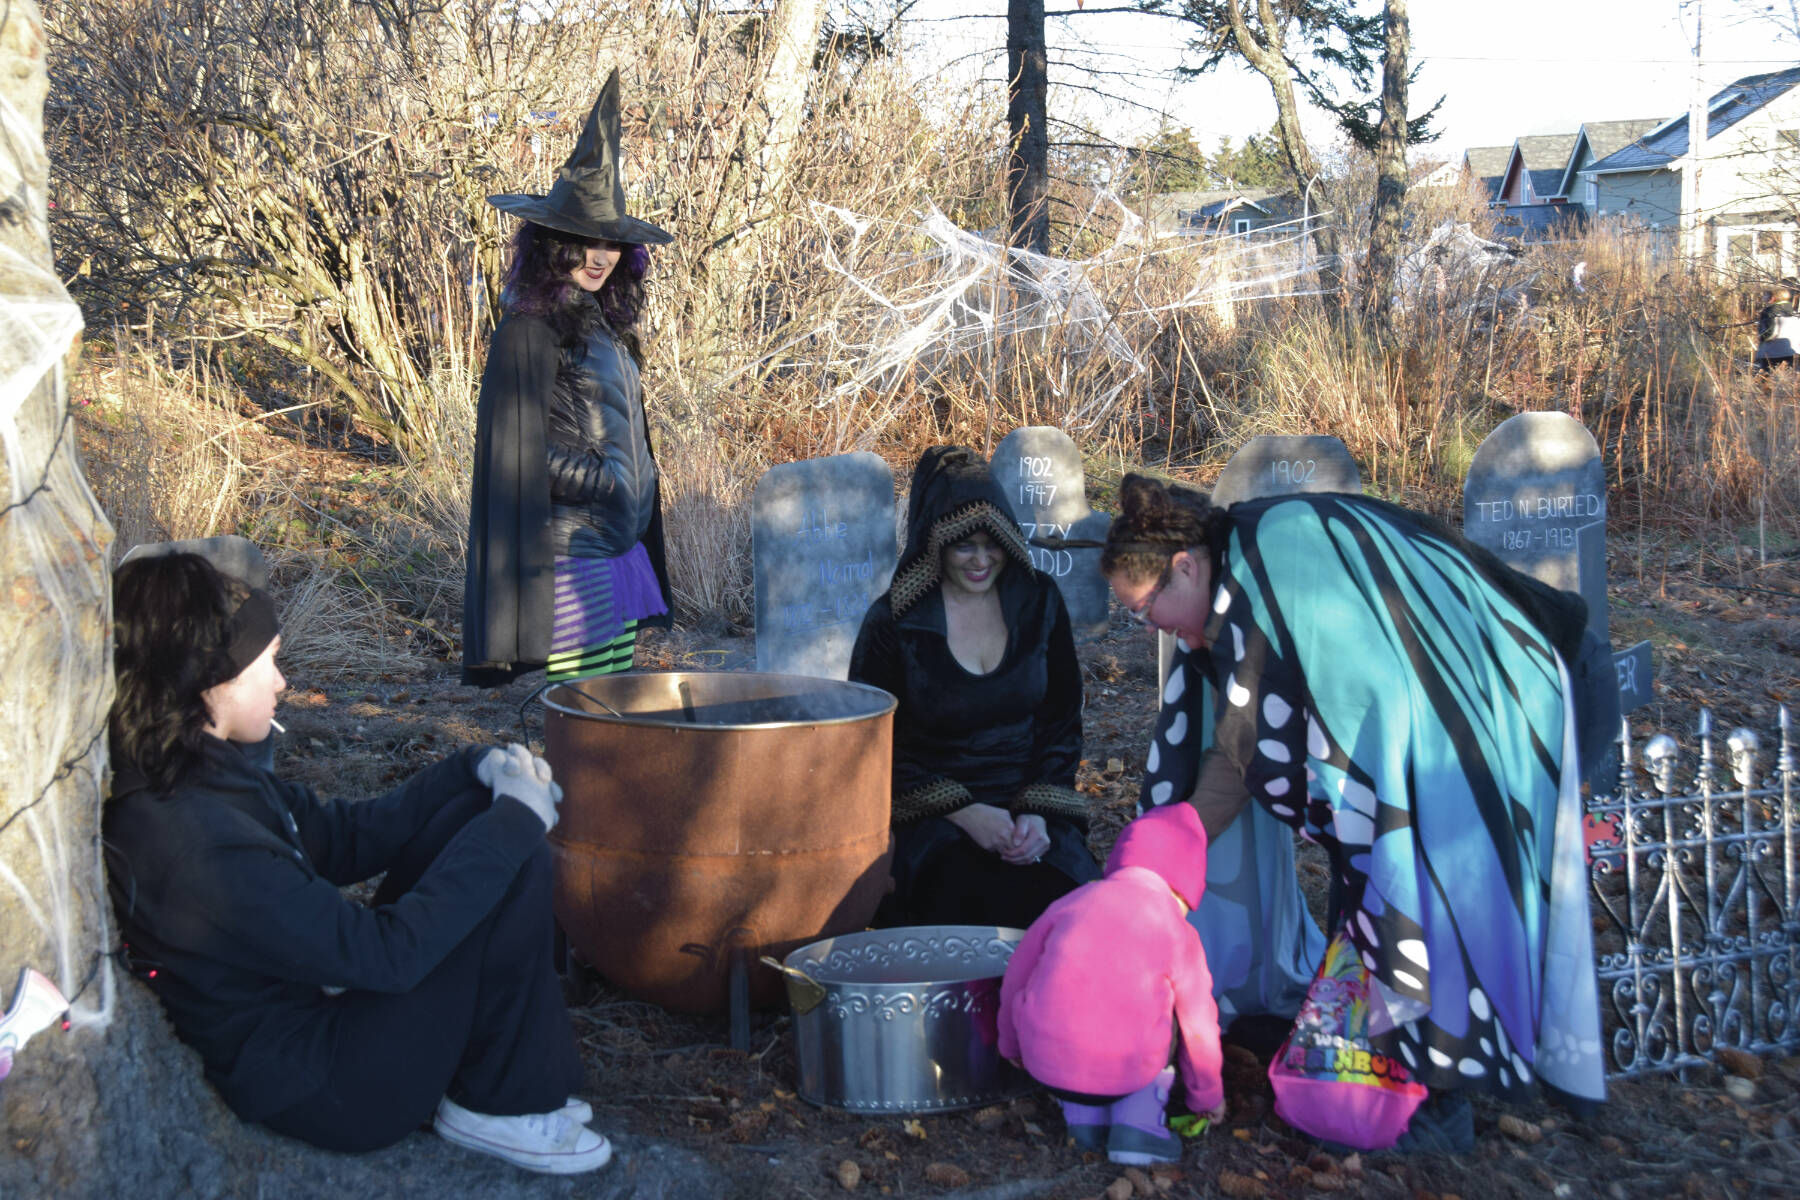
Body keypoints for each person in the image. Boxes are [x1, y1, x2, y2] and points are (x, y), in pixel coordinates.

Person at [1101, 475, 1606, 1149]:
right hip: (1456, 725)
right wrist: (1167, 854)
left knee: (1432, 889)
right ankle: (1379, 1065)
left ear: (1184, 567)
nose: (1150, 626)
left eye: (1143, 609)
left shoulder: (1281, 569)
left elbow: (1375, 771)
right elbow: (1241, 746)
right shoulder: (1241, 590)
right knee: (1371, 882)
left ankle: (1436, 1099)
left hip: (1532, 688)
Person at [104, 553, 612, 1174]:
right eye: (269, 663)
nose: (282, 682)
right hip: (332, 1087)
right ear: (211, 681)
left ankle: (497, 1089)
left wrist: (470, 772)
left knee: (474, 816)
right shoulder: (192, 841)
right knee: (509, 852)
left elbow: (342, 837)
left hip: (322, 1026)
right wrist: (514, 822)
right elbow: (385, 956)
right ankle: (498, 1106)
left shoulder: (200, 774)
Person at [463, 68, 672, 687]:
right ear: (553, 243)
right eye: (584, 241)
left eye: (610, 243)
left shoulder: (608, 326)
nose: (600, 256)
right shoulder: (532, 329)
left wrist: (640, 478)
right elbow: (514, 451)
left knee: (617, 707)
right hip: (572, 554)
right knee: (582, 709)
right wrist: (606, 480)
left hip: (618, 545)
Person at [848, 446, 1099, 929]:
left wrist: (1038, 815)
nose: (981, 560)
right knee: (982, 910)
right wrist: (964, 813)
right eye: (965, 545)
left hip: (1029, 812)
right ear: (935, 542)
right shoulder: (896, 621)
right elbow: (873, 743)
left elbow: (1060, 722)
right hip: (932, 817)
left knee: (1073, 916)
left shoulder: (1039, 602)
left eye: (993, 544)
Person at [998, 802, 1224, 1165]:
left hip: (1047, 1063)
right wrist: (1207, 1095)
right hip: (1128, 1069)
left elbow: (1016, 978)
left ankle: (1084, 1125)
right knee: (1161, 1019)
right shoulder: (1176, 929)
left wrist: (1010, 1044)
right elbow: (1199, 1024)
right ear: (1183, 887)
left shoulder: (1068, 904)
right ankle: (1138, 1130)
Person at [1753, 285, 1800, 370]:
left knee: (1765, 377)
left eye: (1766, 295)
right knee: (1789, 378)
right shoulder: (1793, 311)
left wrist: (1761, 337)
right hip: (1791, 351)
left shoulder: (1769, 311)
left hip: (1771, 351)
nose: (1764, 297)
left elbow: (1770, 332)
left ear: (1774, 297)